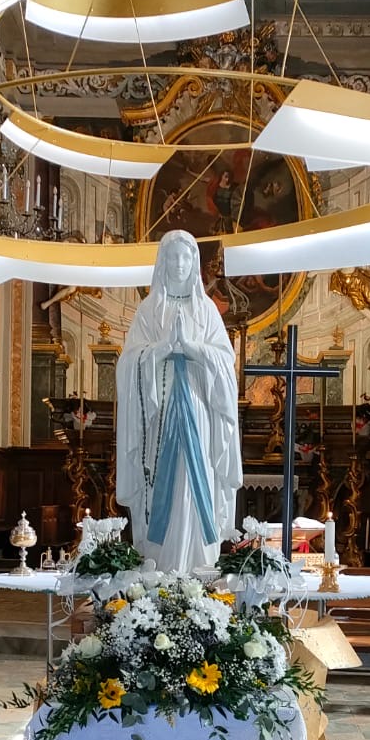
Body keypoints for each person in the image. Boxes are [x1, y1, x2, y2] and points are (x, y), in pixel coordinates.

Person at [116, 230, 242, 572]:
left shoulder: (207, 310)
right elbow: (128, 363)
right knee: (162, 481)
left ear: (195, 262)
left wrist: (192, 348)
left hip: (199, 409)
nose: (179, 263)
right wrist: (160, 350)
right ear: (162, 262)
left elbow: (225, 361)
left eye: (186, 256)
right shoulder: (148, 310)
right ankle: (160, 564)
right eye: (173, 256)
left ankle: (199, 563)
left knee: (195, 476)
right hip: (159, 411)